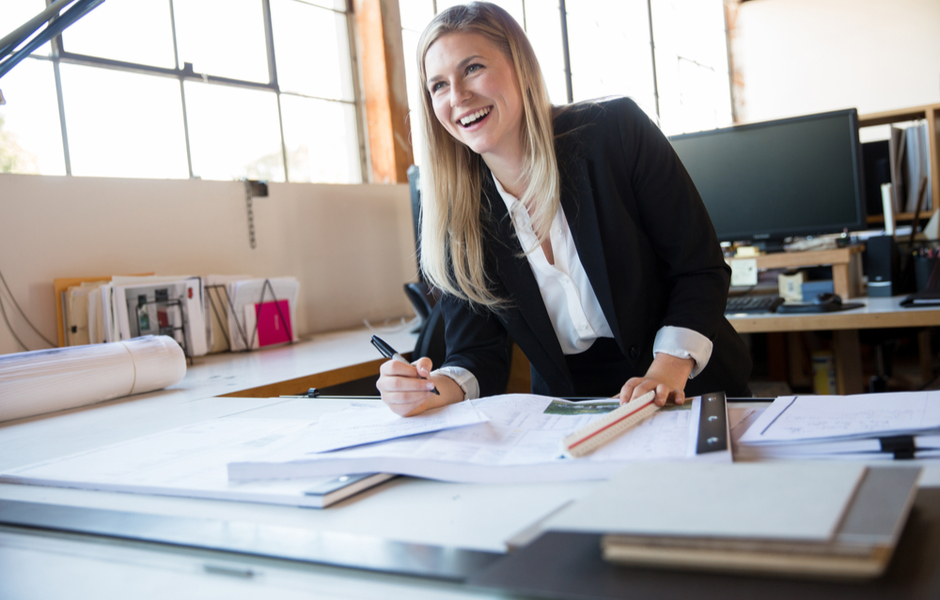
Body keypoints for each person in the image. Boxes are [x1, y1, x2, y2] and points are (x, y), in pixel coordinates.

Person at [377, 2, 751, 416]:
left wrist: (664, 372)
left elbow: (698, 268)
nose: (459, 96)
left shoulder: (616, 133)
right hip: (574, 414)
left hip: (691, 385)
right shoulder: (458, 212)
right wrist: (426, 389)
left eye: (472, 68)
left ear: (520, 66)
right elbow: (476, 353)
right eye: (438, 86)